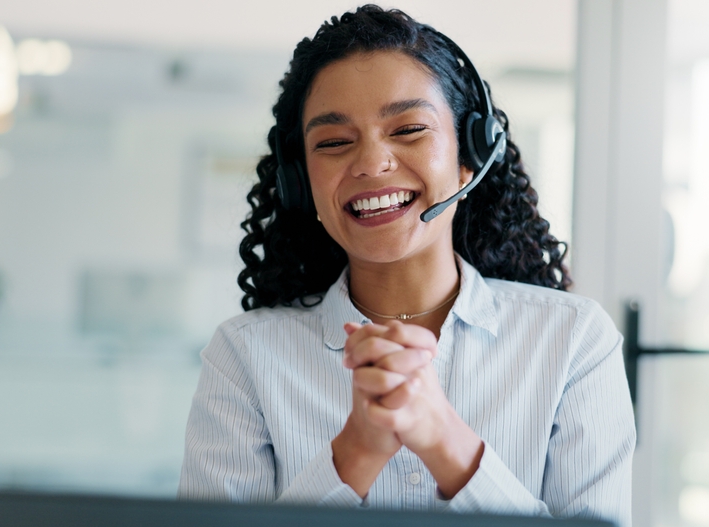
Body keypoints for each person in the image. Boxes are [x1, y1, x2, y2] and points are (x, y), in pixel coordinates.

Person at [178, 5, 635, 526]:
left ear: (470, 156)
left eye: (410, 129)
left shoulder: (574, 341)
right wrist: (354, 453)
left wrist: (446, 442)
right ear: (300, 183)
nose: (372, 164)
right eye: (334, 142)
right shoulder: (244, 356)